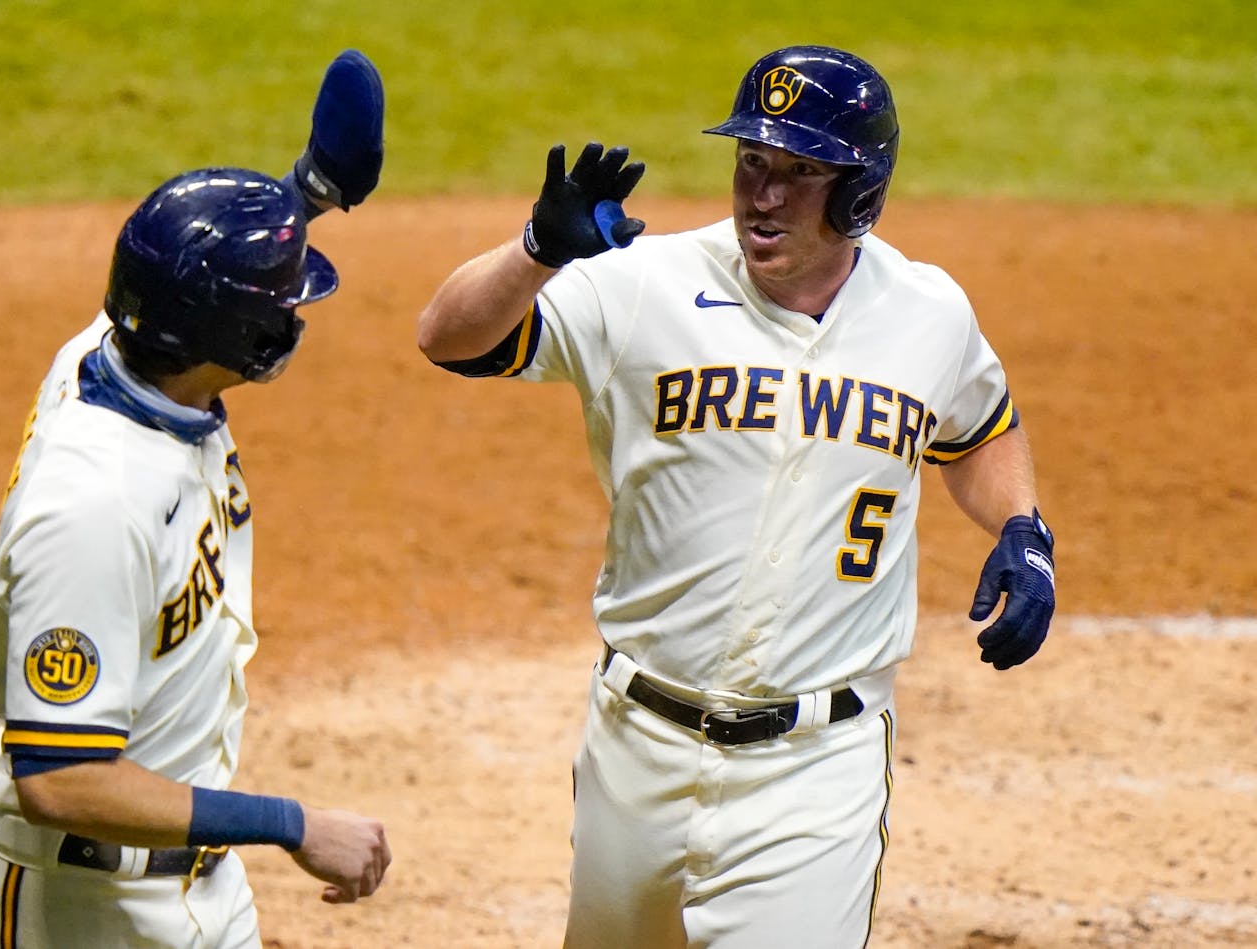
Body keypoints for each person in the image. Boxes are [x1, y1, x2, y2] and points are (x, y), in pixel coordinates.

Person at [417, 44, 1056, 948]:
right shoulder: (643, 284)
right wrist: (535, 254)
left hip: (816, 767)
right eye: (752, 161)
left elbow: (982, 426)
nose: (764, 195)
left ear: (861, 191)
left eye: (800, 172)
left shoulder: (929, 313)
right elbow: (448, 337)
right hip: (636, 749)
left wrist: (1023, 527)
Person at [0, 49, 391, 948]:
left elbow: (189, 272)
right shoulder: (92, 510)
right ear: (234, 337)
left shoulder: (131, 354)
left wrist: (307, 193)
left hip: (191, 889)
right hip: (65, 909)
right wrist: (295, 824)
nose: (297, 313)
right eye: (285, 301)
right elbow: (62, 776)